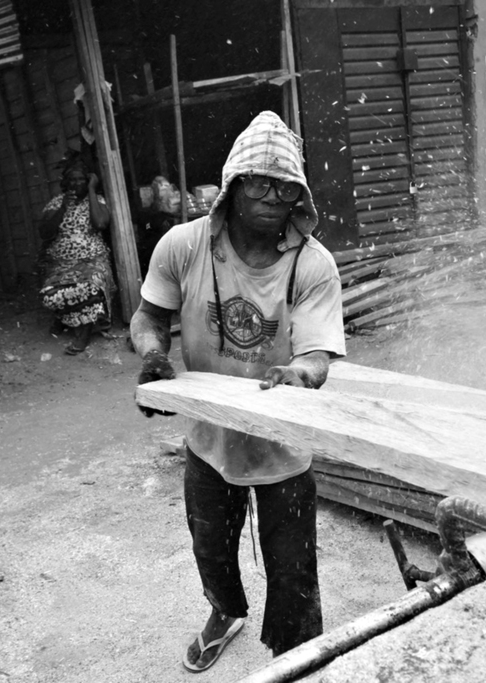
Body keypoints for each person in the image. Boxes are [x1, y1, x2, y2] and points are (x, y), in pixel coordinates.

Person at [130, 111, 346, 673]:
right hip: (210, 438)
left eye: (286, 187)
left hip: (283, 444)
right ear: (234, 184)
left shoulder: (312, 264)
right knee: (211, 548)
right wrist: (153, 356)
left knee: (293, 569)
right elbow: (148, 317)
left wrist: (299, 375)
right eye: (260, 183)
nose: (273, 197)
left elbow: (317, 355)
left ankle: (297, 657)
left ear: (300, 195)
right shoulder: (184, 246)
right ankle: (225, 613)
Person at [37, 157, 115, 355]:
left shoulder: (97, 201)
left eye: (81, 179)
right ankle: (64, 318)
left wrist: (92, 191)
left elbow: (100, 223)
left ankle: (84, 333)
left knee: (91, 287)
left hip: (92, 260)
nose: (76, 183)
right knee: (49, 294)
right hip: (62, 264)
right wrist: (63, 207)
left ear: (87, 181)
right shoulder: (56, 203)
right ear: (65, 182)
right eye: (72, 179)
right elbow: (45, 232)